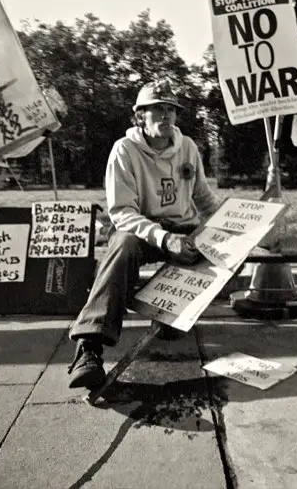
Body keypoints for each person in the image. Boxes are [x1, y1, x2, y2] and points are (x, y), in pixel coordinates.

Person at [67, 78, 220, 389]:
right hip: (142, 228)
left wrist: (233, 228)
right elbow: (122, 212)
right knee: (121, 247)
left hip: (183, 227)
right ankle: (89, 348)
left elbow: (202, 196)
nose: (164, 116)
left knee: (229, 251)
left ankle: (169, 313)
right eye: (155, 110)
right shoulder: (124, 150)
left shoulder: (187, 146)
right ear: (139, 116)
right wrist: (164, 238)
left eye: (170, 110)